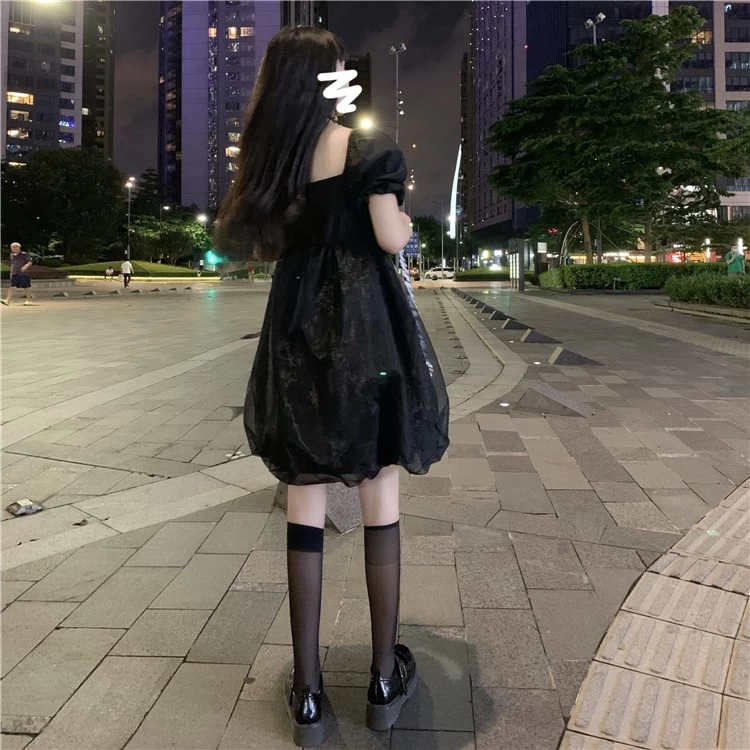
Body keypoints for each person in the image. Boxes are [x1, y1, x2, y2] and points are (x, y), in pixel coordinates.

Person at [215, 27, 449, 748]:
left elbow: (277, 247)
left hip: (295, 338)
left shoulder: (271, 162)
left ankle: (310, 695)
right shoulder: (369, 151)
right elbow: (389, 238)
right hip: (367, 333)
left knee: (305, 495)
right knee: (380, 489)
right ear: (325, 76)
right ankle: (382, 680)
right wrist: (400, 215)